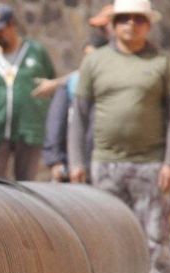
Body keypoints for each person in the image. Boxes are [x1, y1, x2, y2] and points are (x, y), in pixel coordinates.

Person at [68, 0, 170, 273]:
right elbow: (78, 115)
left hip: (150, 164)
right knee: (105, 237)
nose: (130, 25)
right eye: (123, 19)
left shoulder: (163, 62)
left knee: (155, 233)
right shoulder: (96, 64)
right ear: (112, 24)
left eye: (138, 19)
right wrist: (76, 160)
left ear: (148, 24)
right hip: (105, 164)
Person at [0, 4, 56, 181]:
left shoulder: (36, 51)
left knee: (25, 186)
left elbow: (51, 82)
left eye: (0, 30)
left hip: (29, 130)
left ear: (11, 25)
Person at [42, 38, 106, 182]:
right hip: (72, 166)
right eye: (86, 56)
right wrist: (55, 160)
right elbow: (56, 122)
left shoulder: (114, 87)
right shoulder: (72, 85)